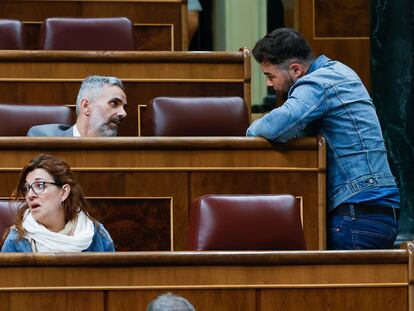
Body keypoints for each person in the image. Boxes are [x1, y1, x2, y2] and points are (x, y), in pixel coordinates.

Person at [247, 28, 400, 250]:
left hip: (356, 213)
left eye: (270, 76)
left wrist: (247, 132)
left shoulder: (318, 83)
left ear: (296, 69)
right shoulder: (340, 71)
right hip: (376, 210)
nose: (269, 85)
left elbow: (276, 126)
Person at [1, 154, 115, 252]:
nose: (30, 195)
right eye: (27, 188)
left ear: (63, 192)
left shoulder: (97, 235)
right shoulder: (16, 240)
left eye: (40, 185)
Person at [27, 75, 127, 137]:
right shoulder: (45, 138)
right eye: (114, 103)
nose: (124, 113)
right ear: (86, 106)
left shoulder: (123, 154)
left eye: (124, 107)